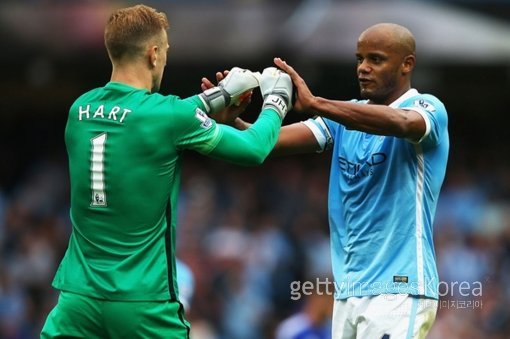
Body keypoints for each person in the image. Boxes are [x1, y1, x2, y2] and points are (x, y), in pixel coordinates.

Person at [40, 4, 293, 339]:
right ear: (154, 54)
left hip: (78, 300)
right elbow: (254, 148)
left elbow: (144, 117)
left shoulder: (80, 109)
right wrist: (277, 100)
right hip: (143, 302)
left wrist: (217, 96)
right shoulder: (169, 116)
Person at [204, 23, 449, 338]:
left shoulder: (427, 107)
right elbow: (267, 143)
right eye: (359, 58)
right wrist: (232, 122)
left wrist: (318, 103)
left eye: (376, 59)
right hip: (348, 292)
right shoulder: (344, 117)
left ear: (407, 64)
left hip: (399, 288)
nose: (363, 68)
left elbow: (402, 123)